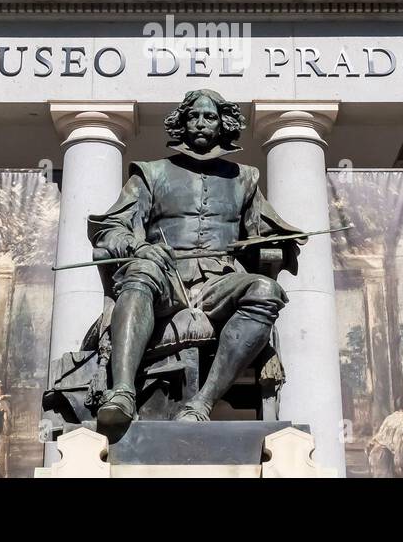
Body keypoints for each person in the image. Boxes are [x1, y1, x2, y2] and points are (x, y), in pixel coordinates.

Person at [88, 89, 306, 429]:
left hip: (220, 284)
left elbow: (265, 234)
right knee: (141, 270)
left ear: (223, 124)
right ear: (182, 123)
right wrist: (138, 246)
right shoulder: (150, 173)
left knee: (264, 289)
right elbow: (110, 229)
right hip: (165, 280)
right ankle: (123, 393)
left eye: (210, 117)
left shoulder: (245, 178)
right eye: (193, 116)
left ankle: (201, 403)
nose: (201, 123)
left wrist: (276, 241)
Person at [367, 398, 403, 477]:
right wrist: (397, 463)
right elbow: (397, 441)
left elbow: (380, 433)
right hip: (384, 454)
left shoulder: (390, 417)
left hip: (375, 451)